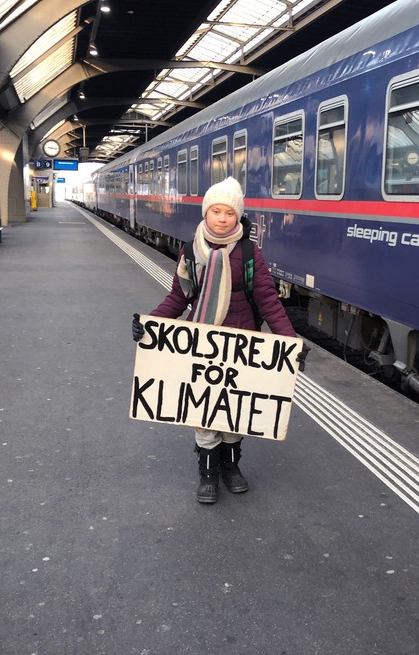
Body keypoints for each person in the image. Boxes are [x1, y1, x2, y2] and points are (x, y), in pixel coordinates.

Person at [132, 176, 308, 504]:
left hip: (240, 344)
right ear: (206, 213)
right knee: (203, 413)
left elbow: (268, 300)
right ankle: (208, 474)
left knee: (234, 414)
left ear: (238, 215)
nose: (223, 218)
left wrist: (290, 341)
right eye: (216, 211)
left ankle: (231, 467)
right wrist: (150, 324)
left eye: (229, 212)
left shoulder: (249, 252)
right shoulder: (190, 250)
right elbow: (179, 298)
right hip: (200, 343)